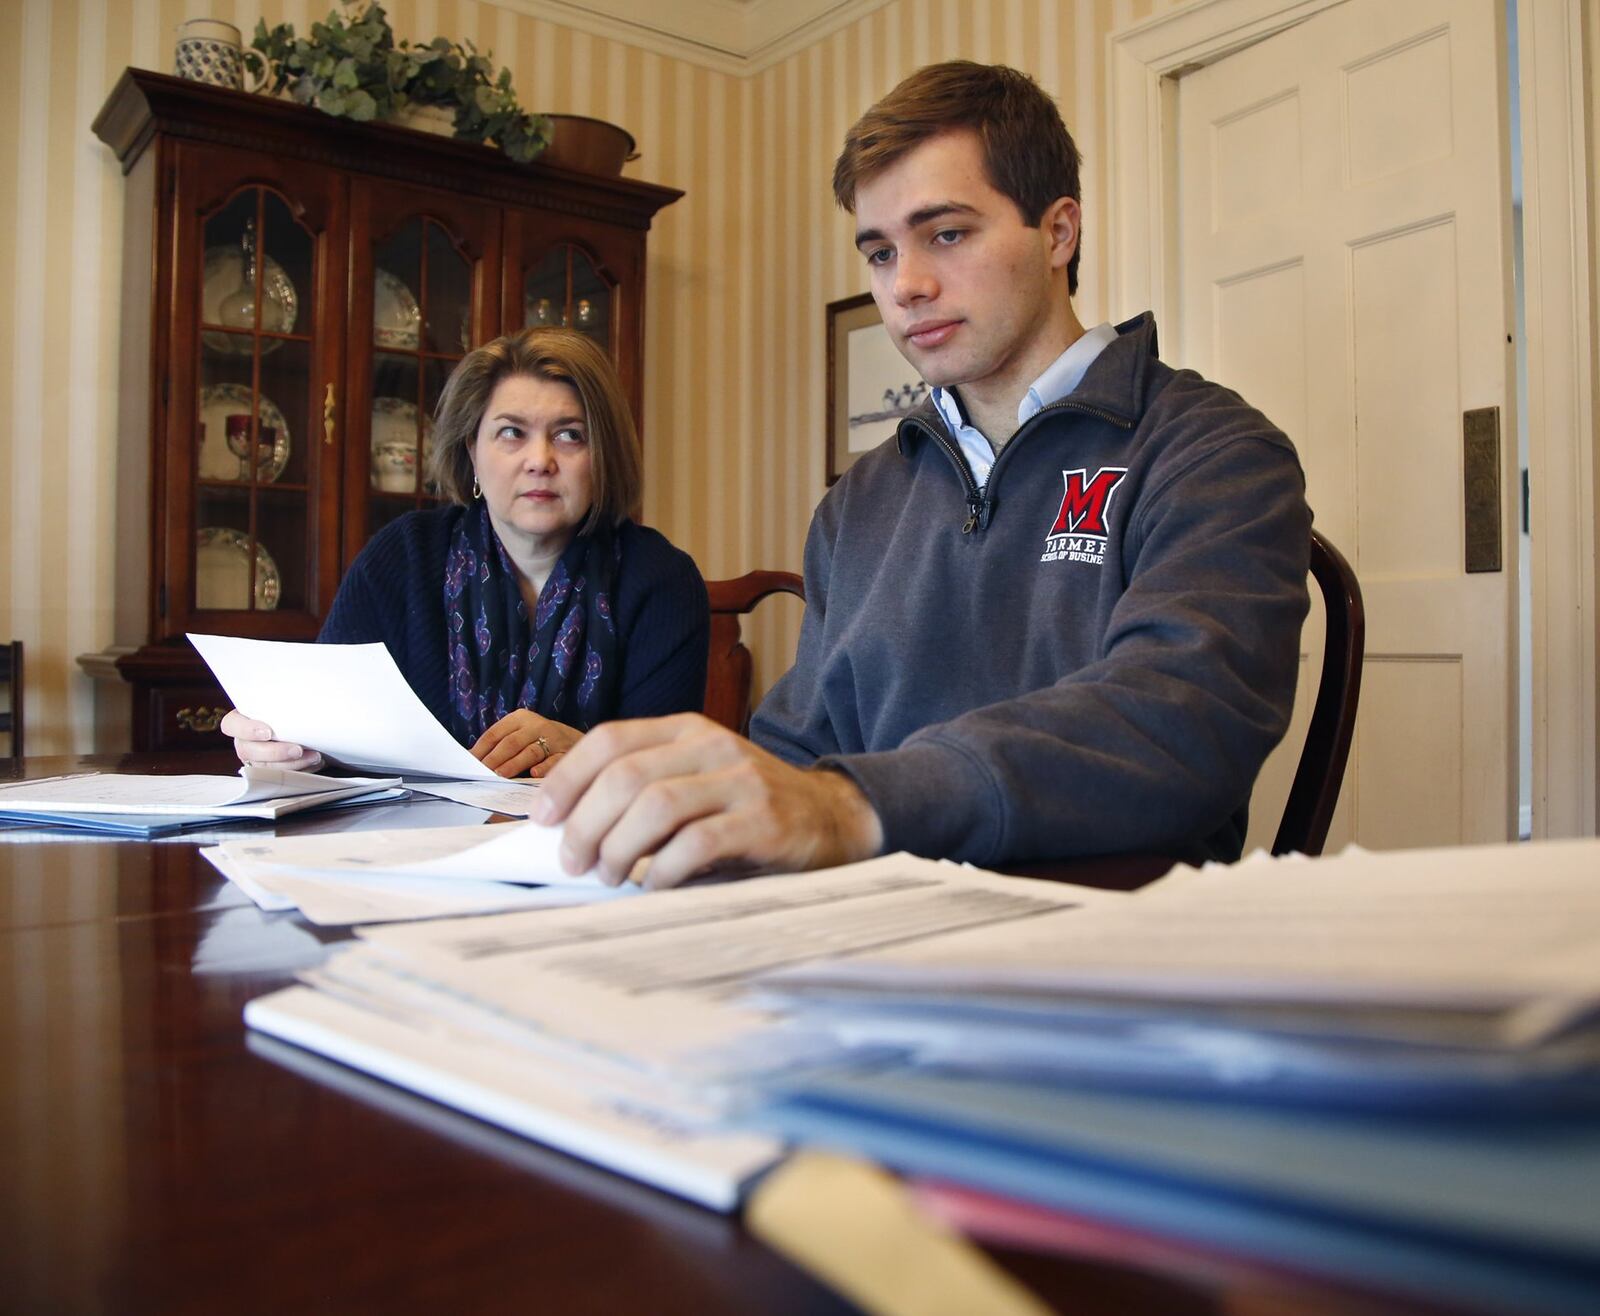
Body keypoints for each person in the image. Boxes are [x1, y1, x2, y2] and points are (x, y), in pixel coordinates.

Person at [537, 60, 1311, 886]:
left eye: (946, 234)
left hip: (1099, 936)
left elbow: (1182, 720)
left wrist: (846, 806)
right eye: (879, 251)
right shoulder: (860, 501)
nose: (905, 285)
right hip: (859, 922)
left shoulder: (1211, 450)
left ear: (1058, 232)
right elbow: (799, 745)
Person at [222, 327, 710, 778]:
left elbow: (669, 775)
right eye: (512, 433)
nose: (540, 461)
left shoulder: (662, 580)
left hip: (586, 855)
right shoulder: (403, 556)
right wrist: (285, 745)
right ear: (471, 450)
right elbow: (327, 731)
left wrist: (590, 753)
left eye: (570, 435)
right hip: (405, 850)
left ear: (603, 456)